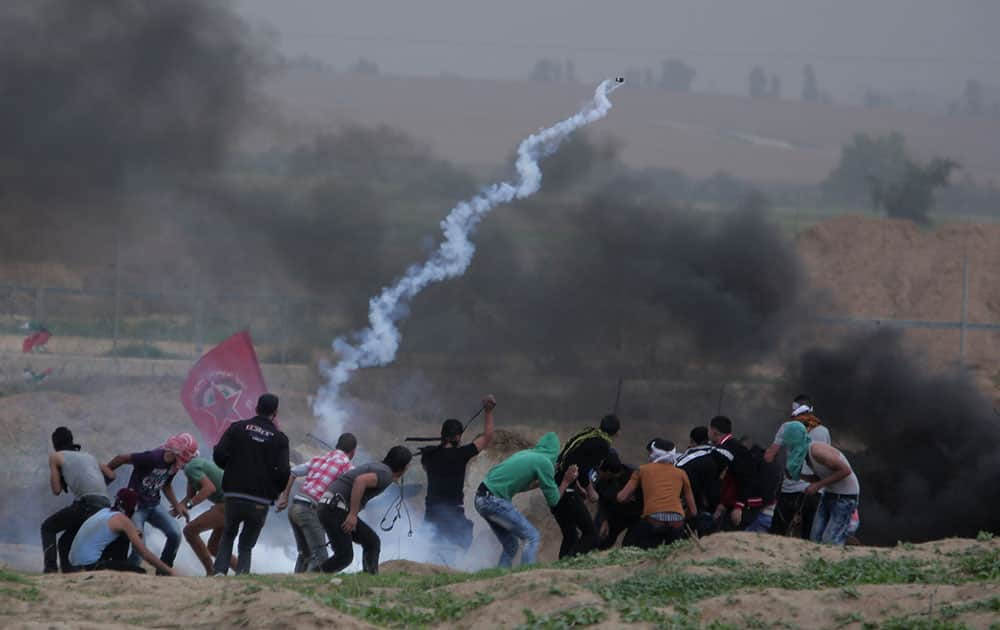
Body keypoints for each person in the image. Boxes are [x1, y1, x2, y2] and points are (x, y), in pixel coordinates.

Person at [212, 393, 290, 575]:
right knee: (246, 544)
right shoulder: (280, 439)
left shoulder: (237, 428)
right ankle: (242, 576)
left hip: (234, 493)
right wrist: (275, 490)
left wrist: (230, 469)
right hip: (261, 499)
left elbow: (219, 454)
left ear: (256, 408)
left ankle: (219, 573)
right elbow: (285, 471)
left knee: (228, 533)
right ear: (276, 412)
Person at [474, 432, 578, 568]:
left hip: (481, 498)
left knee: (511, 545)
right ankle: (526, 574)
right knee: (532, 536)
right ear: (555, 452)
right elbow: (554, 501)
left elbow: (516, 486)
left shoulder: (527, 454)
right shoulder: (545, 462)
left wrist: (541, 482)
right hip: (492, 500)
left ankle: (499, 576)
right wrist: (566, 481)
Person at [107, 432, 199, 572]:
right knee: (140, 544)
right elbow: (122, 458)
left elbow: (166, 485)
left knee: (175, 534)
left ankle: (164, 571)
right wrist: (106, 473)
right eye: (188, 455)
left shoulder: (174, 466)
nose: (188, 460)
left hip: (154, 505)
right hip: (136, 507)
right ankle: (131, 573)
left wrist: (177, 505)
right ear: (180, 452)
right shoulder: (153, 457)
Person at [421, 395, 496, 559]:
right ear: (456, 437)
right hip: (452, 510)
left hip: (431, 510)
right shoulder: (461, 454)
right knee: (458, 542)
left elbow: (426, 467)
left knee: (433, 546)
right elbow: (488, 437)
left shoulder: (428, 455)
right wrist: (488, 412)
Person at [318, 446, 412, 575]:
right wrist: (352, 515)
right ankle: (310, 578)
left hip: (330, 506)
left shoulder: (380, 469)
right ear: (404, 467)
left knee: (371, 542)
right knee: (345, 556)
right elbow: (360, 481)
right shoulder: (385, 474)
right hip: (335, 508)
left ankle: (368, 577)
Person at [276, 432, 357, 573]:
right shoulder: (347, 466)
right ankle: (309, 589)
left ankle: (294, 587)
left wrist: (284, 497)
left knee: (305, 554)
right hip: (310, 510)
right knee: (320, 557)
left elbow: (293, 472)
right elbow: (358, 485)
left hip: (295, 507)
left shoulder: (320, 459)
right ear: (353, 451)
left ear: (337, 445)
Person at [41, 427, 115, 573]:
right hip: (105, 505)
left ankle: (50, 570)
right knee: (65, 542)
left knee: (48, 527)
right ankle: (70, 575)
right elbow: (111, 475)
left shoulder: (56, 456)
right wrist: (97, 487)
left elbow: (56, 490)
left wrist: (59, 475)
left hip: (87, 505)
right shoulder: (88, 456)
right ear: (71, 440)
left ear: (55, 444)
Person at [779, 422, 860, 545]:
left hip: (844, 498)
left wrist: (818, 486)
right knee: (815, 538)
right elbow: (820, 477)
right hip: (829, 494)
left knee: (831, 540)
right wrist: (800, 477)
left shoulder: (816, 451)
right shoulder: (808, 456)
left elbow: (845, 471)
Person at [551, 414, 620, 558]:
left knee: (570, 535)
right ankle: (570, 564)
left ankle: (561, 566)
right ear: (617, 433)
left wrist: (579, 486)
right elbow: (582, 469)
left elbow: (571, 458)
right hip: (567, 490)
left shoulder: (588, 432)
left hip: (557, 485)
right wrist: (590, 491)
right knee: (591, 534)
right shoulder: (602, 444)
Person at [765, 395, 832, 539]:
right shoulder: (824, 431)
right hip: (816, 490)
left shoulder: (787, 427)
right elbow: (827, 461)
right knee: (811, 536)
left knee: (778, 534)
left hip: (791, 489)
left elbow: (769, 456)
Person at [68, 488, 176, 575]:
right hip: (91, 566)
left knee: (122, 536)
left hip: (73, 564)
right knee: (140, 572)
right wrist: (169, 571)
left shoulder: (105, 511)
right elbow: (145, 554)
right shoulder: (123, 521)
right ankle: (122, 570)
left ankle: (120, 565)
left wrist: (133, 531)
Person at [616, 438, 697, 549]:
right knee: (671, 555)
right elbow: (693, 511)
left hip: (653, 519)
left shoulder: (642, 470)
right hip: (677, 522)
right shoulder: (682, 473)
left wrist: (630, 497)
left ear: (654, 454)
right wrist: (679, 517)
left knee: (633, 544)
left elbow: (621, 497)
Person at [174, 455, 236, 575]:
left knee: (189, 531)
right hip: (233, 503)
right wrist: (179, 506)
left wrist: (187, 506)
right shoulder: (193, 466)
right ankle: (242, 571)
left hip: (228, 504)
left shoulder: (190, 467)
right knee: (214, 547)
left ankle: (211, 571)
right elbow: (190, 496)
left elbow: (209, 488)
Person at [707, 416, 755, 530]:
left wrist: (739, 506)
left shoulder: (735, 449)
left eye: (709, 429)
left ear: (714, 431)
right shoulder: (726, 446)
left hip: (735, 508)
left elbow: (745, 478)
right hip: (726, 504)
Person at [675, 426, 722, 536]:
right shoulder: (717, 455)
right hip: (711, 505)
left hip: (691, 506)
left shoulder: (688, 459)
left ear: (692, 440)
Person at [592, 450, 641, 549]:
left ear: (608, 472)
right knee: (597, 541)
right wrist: (604, 520)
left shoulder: (635, 474)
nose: (596, 472)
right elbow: (601, 500)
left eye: (598, 470)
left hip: (637, 516)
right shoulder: (600, 481)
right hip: (613, 514)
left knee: (629, 546)